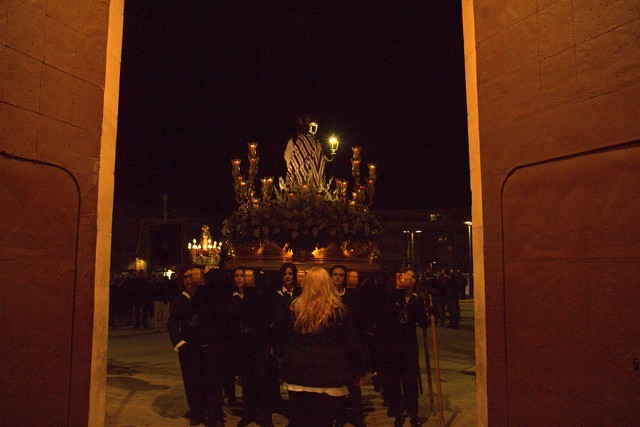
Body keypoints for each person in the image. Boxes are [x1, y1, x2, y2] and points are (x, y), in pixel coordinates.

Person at [277, 267, 366, 427]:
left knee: (299, 420)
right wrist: (358, 370)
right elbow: (351, 343)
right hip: (330, 372)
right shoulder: (339, 310)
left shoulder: (294, 308)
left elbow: (282, 337)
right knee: (325, 421)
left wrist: (282, 358)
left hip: (298, 370)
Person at [168, 269, 225, 427]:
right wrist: (180, 343)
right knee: (193, 382)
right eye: (185, 277)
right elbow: (172, 324)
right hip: (190, 349)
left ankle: (214, 415)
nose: (188, 280)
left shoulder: (206, 295)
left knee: (212, 382)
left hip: (208, 347)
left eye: (190, 276)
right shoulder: (180, 300)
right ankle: (197, 412)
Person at [381, 268, 429, 427]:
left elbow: (423, 322)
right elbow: (386, 315)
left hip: (409, 344)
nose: (410, 280)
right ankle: (397, 410)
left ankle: (413, 412)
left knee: (410, 378)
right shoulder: (394, 297)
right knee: (395, 377)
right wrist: (396, 291)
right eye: (406, 277)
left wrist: (429, 312)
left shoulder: (417, 300)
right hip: (393, 343)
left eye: (413, 277)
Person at [330, 265, 367, 427]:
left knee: (353, 380)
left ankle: (357, 414)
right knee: (337, 382)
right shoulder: (327, 296)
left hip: (349, 342)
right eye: (335, 274)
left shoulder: (352, 295)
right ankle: (339, 414)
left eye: (341, 275)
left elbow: (358, 318)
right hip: (333, 344)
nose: (338, 277)